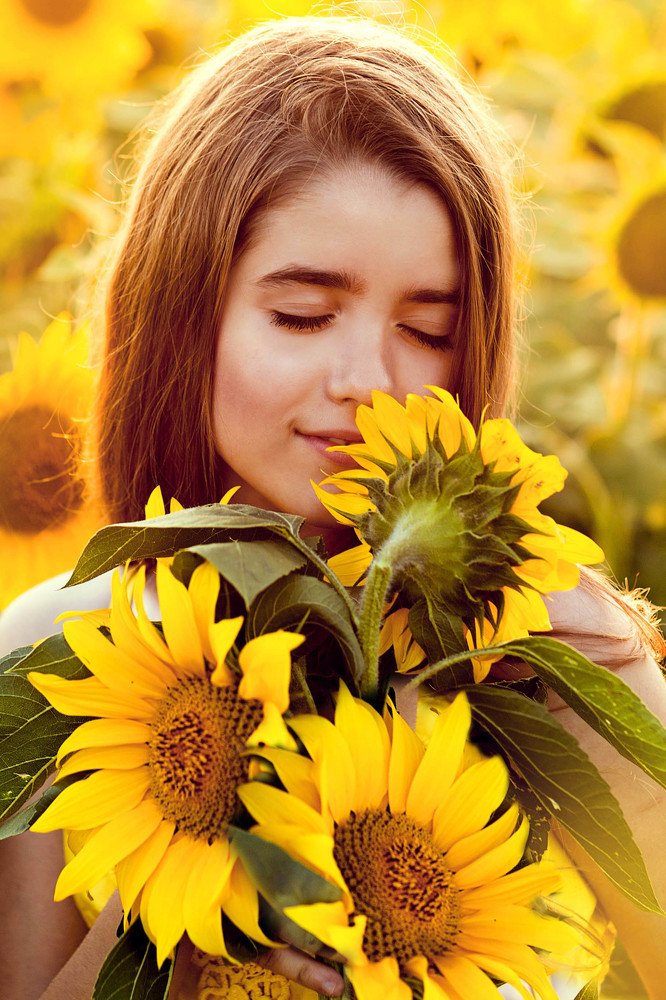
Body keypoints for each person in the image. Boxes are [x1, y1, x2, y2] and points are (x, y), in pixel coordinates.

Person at [0, 15, 664, 1000]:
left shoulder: (533, 649)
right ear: (184, 314)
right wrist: (180, 921)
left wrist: (594, 679)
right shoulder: (64, 653)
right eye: (302, 315)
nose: (368, 377)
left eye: (427, 325)